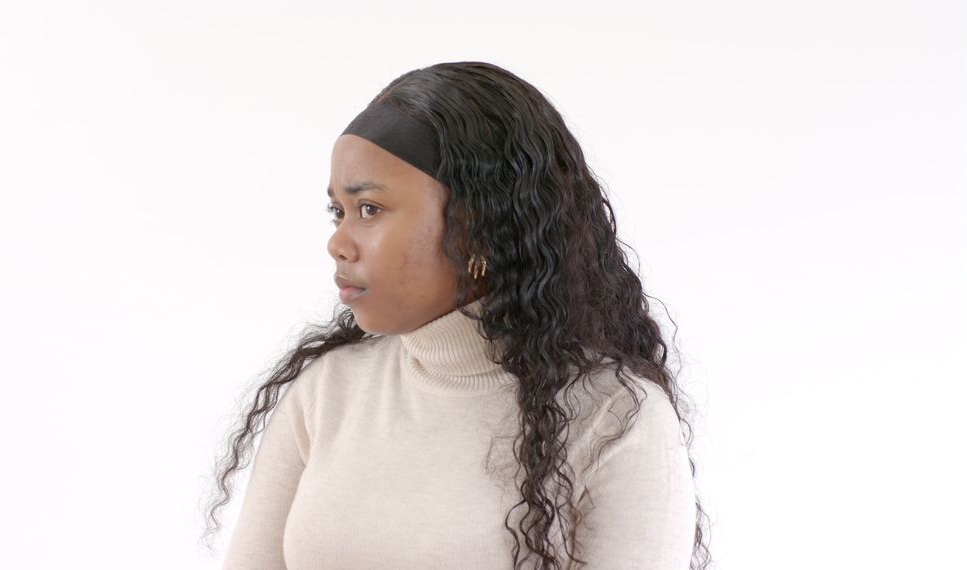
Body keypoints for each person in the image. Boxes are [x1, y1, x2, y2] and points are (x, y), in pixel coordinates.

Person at [202, 61, 712, 570]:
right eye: (338, 211)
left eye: (370, 209)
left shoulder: (614, 417)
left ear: (477, 226)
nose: (338, 242)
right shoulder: (326, 392)